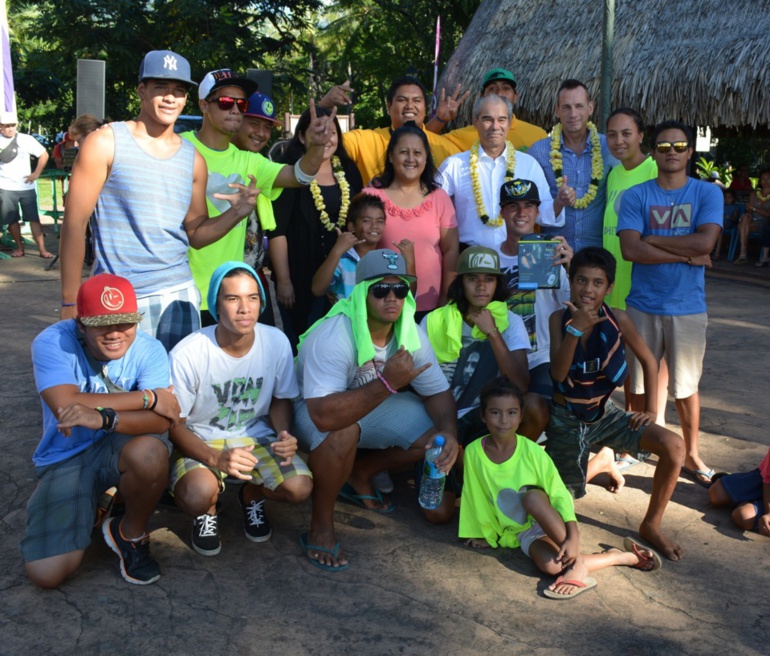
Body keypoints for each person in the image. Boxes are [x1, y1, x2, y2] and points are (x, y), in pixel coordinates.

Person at [59, 51, 259, 352]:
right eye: (160, 88)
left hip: (178, 294)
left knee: (172, 393)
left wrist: (237, 213)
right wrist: (69, 300)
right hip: (116, 294)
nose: (170, 98)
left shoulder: (193, 159)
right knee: (115, 394)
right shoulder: (106, 142)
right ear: (141, 90)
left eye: (178, 91)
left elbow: (196, 233)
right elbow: (74, 224)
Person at [293, 249, 458, 570]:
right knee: (343, 430)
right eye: (381, 290)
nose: (392, 298)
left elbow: (438, 392)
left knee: (436, 440)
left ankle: (359, 473)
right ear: (362, 293)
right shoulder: (335, 333)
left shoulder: (410, 331)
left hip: (368, 405)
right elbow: (324, 415)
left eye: (401, 290)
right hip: (311, 413)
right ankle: (321, 524)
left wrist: (450, 433)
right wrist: (387, 383)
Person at [21, 274, 181, 587]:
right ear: (80, 324)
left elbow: (162, 422)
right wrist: (147, 398)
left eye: (125, 323)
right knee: (47, 574)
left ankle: (129, 533)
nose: (115, 333)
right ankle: (103, 496)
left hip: (121, 447)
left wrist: (104, 418)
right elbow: (65, 405)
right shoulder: (52, 342)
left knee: (149, 452)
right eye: (101, 323)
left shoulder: (150, 349)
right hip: (68, 454)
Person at [460, 377, 663, 600]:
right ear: (483, 415)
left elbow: (558, 492)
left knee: (532, 498)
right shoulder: (473, 452)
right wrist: (481, 533)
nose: (503, 420)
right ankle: (617, 557)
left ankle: (577, 562)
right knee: (552, 568)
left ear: (521, 416)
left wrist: (572, 534)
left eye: (511, 412)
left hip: (546, 517)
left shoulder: (532, 452)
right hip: (520, 532)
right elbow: (475, 495)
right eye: (495, 412)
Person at [546, 247, 686, 561]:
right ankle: (602, 463)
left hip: (603, 413)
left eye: (598, 283)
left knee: (675, 447)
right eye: (581, 280)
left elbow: (650, 362)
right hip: (566, 416)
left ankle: (651, 525)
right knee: (562, 505)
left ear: (609, 288)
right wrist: (574, 330)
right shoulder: (559, 319)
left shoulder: (618, 318)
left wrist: (650, 410)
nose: (588, 289)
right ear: (570, 281)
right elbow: (557, 372)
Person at [168, 262, 312, 556]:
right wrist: (216, 458)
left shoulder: (276, 340)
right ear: (216, 306)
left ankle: (252, 495)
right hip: (201, 439)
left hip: (255, 437)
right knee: (196, 495)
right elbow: (174, 425)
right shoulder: (189, 352)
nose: (244, 308)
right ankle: (206, 512)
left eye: (253, 298)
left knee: (299, 488)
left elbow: (280, 398)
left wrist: (284, 434)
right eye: (232, 299)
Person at [182, 69, 337, 327]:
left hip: (227, 295)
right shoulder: (179, 147)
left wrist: (317, 146)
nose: (234, 109)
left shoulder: (250, 161)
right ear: (203, 105)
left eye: (240, 104)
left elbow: (298, 175)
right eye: (224, 102)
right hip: (184, 291)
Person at [618, 121, 723, 487]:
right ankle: (633, 446)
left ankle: (692, 453)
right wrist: (685, 253)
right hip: (642, 304)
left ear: (690, 151)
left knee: (685, 387)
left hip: (687, 306)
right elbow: (630, 249)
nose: (672, 151)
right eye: (663, 146)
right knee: (637, 381)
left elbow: (705, 243)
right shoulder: (635, 195)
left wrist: (655, 242)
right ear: (655, 151)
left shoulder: (708, 194)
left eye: (679, 145)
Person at [421, 245, 547, 447]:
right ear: (461, 283)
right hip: (439, 415)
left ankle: (504, 467)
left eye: (489, 279)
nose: (481, 286)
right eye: (473, 279)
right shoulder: (434, 321)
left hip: (487, 418)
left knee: (534, 406)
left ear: (497, 283)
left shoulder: (510, 320)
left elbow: (521, 384)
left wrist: (493, 333)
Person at [270, 105, 364, 347]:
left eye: (332, 132)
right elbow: (277, 231)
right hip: (299, 275)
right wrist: (284, 281)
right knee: (303, 342)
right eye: (317, 130)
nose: (326, 138)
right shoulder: (289, 173)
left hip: (342, 278)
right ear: (301, 136)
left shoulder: (349, 171)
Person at [438, 95, 563, 251]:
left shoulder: (528, 164)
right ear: (475, 121)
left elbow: (543, 215)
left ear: (509, 123)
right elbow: (434, 211)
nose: (495, 126)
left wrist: (560, 201)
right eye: (487, 119)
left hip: (516, 259)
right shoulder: (454, 165)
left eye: (501, 119)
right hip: (469, 261)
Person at [367, 123, 459, 316]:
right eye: (403, 152)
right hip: (382, 304)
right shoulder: (371, 196)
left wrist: (446, 298)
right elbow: (360, 249)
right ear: (391, 156)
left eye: (417, 153)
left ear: (426, 157)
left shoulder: (439, 198)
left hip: (430, 306)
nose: (410, 159)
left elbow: (450, 251)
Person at [497, 179, 572, 398]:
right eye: (513, 206)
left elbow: (572, 303)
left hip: (542, 355)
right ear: (502, 212)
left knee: (538, 406)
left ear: (537, 211)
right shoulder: (490, 257)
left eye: (528, 206)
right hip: (500, 354)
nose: (521, 213)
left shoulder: (552, 252)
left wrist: (570, 268)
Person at [529, 80, 618, 253]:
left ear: (590, 108)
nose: (573, 113)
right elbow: (529, 207)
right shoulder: (538, 152)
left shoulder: (609, 148)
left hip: (598, 253)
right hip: (554, 254)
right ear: (557, 110)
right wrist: (557, 203)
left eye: (579, 106)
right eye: (566, 107)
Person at [320, 76, 460, 184]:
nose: (409, 106)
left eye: (417, 100)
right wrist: (323, 107)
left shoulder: (445, 148)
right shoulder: (365, 141)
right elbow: (321, 142)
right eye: (402, 100)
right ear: (389, 106)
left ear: (425, 108)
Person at [230, 90, 283, 325]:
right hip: (222, 279)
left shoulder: (262, 165)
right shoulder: (209, 159)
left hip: (254, 275)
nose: (261, 134)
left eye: (267, 127)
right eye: (254, 123)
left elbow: (299, 174)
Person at [311, 192, 414, 302]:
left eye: (380, 221)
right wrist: (337, 250)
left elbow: (408, 297)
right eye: (366, 221)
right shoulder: (342, 260)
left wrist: (410, 261)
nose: (374, 226)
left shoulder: (388, 260)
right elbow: (317, 290)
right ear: (351, 227)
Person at [603, 108, 658, 310]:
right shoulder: (613, 174)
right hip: (613, 279)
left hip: (640, 282)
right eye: (612, 134)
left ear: (640, 136)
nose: (618, 141)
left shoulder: (654, 170)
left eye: (626, 134)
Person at [429, 68, 548, 152]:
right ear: (482, 96)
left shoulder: (537, 135)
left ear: (515, 97)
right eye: (492, 88)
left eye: (506, 88)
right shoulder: (462, 136)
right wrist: (439, 119)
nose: (499, 93)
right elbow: (421, 140)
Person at [0, 111, 52, 258]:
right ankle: (19, 247)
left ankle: (42, 249)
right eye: (6, 126)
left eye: (13, 125)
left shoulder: (26, 139)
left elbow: (44, 154)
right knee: (11, 220)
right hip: (5, 187)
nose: (10, 129)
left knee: (34, 218)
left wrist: (36, 174)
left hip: (26, 187)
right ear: (1, 126)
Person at [708, 448, 770, 537]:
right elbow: (768, 479)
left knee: (743, 517)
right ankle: (740, 491)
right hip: (762, 479)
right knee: (716, 494)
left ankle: (749, 503)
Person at [735, 169, 770, 264]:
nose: (766, 181)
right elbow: (749, 208)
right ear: (760, 180)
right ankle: (743, 254)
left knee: (742, 225)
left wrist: (754, 208)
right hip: (751, 219)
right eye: (763, 179)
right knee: (745, 218)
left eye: (768, 179)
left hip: (763, 222)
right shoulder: (754, 193)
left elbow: (768, 214)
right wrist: (750, 211)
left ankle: (743, 254)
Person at [712, 189, 740, 260]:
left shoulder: (734, 207)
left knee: (720, 228)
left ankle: (717, 252)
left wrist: (728, 217)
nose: (727, 199)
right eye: (725, 197)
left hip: (728, 223)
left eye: (729, 197)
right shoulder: (721, 206)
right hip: (718, 222)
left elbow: (735, 218)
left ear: (733, 199)